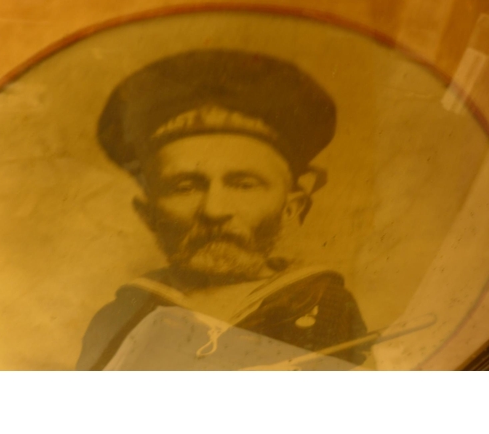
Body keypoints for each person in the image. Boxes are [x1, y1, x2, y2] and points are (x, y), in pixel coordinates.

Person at [76, 49, 368, 370]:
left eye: (244, 184)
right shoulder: (121, 316)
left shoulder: (325, 307)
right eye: (185, 187)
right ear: (149, 215)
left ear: (291, 206)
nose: (214, 210)